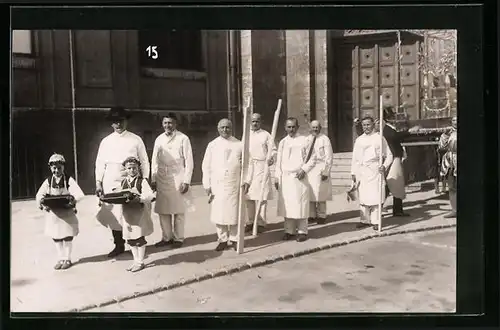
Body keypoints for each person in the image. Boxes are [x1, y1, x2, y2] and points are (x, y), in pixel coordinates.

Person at [95, 107, 150, 258]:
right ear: (111, 124)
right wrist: (98, 182)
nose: (118, 124)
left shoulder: (135, 139)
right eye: (115, 122)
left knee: (134, 210)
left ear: (126, 121)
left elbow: (144, 161)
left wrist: (144, 180)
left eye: (121, 121)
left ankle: (138, 242)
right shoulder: (106, 141)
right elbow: (100, 163)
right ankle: (118, 245)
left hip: (131, 178)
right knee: (114, 213)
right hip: (111, 179)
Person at [202, 118, 252, 251]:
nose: (225, 130)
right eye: (222, 127)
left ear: (232, 128)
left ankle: (235, 239)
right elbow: (205, 166)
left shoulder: (240, 144)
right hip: (217, 185)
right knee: (220, 214)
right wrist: (207, 184)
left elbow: (248, 165)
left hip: (234, 183)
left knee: (235, 213)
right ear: (218, 129)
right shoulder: (212, 145)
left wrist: (246, 181)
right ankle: (222, 239)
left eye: (227, 127)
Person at [151, 113, 195, 249]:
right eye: (165, 123)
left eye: (170, 123)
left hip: (178, 177)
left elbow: (189, 161)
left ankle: (178, 238)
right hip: (163, 177)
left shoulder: (183, 138)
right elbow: (154, 160)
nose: (167, 126)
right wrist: (153, 179)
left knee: (178, 210)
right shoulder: (159, 139)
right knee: (163, 211)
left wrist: (186, 181)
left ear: (175, 124)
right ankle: (166, 238)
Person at [35, 154, 85, 270]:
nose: (56, 170)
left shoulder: (68, 179)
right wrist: (42, 204)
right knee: (56, 236)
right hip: (54, 213)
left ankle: (67, 258)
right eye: (54, 168)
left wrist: (72, 201)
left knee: (67, 236)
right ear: (50, 168)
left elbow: (79, 194)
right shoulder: (48, 181)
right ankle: (60, 258)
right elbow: (39, 194)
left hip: (66, 211)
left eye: (59, 168)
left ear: (63, 167)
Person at [274, 117, 317, 242]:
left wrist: (304, 170)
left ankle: (302, 231)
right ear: (285, 127)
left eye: (293, 127)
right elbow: (279, 162)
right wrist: (277, 177)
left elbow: (313, 158)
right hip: (286, 178)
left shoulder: (304, 141)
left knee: (300, 205)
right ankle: (289, 231)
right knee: (287, 205)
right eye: (289, 127)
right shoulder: (282, 142)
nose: (291, 129)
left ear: (297, 127)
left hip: (299, 177)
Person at [351, 116, 394, 231]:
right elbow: (355, 158)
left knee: (376, 196)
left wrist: (384, 166)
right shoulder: (359, 140)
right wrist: (353, 172)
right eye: (364, 125)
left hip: (375, 170)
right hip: (362, 171)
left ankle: (376, 221)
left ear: (373, 125)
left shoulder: (379, 138)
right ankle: (364, 220)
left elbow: (389, 155)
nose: (366, 127)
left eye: (368, 124)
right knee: (363, 197)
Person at [116, 156, 155, 272]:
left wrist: (140, 198)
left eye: (134, 168)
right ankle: (135, 260)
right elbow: (117, 193)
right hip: (127, 214)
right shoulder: (123, 182)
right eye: (129, 168)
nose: (132, 171)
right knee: (130, 238)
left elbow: (150, 195)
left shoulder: (141, 181)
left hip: (139, 213)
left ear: (138, 168)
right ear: (125, 170)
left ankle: (140, 261)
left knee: (139, 238)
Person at [244, 113, 277, 234]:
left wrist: (272, 157)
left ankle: (261, 223)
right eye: (253, 121)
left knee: (262, 196)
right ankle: (250, 222)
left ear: (260, 122)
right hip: (249, 167)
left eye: (257, 121)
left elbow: (273, 150)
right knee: (248, 196)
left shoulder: (266, 135)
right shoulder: (246, 135)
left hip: (262, 167)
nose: (255, 123)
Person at [375, 107, 409, 217]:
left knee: (391, 183)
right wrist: (408, 132)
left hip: (394, 156)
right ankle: (384, 208)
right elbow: (393, 136)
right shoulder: (384, 127)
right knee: (394, 182)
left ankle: (393, 208)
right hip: (392, 157)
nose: (393, 117)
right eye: (391, 115)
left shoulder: (388, 127)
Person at [306, 120, 334, 225]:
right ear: (310, 128)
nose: (315, 129)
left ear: (320, 128)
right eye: (313, 127)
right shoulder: (307, 139)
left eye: (317, 127)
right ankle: (311, 215)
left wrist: (326, 170)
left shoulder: (324, 139)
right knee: (311, 192)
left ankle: (322, 215)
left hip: (321, 167)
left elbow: (329, 156)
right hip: (310, 169)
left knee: (321, 193)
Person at [438, 116, 457, 218]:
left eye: (457, 119)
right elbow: (441, 147)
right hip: (450, 161)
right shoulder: (448, 133)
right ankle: (454, 210)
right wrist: (445, 135)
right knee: (452, 186)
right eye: (454, 120)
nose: (455, 122)